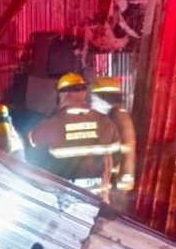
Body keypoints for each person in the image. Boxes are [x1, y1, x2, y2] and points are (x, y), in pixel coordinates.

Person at [28, 73, 121, 202]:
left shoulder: (50, 124)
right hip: (98, 199)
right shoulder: (105, 122)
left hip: (64, 199)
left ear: (64, 95)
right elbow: (116, 159)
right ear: (84, 94)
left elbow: (34, 159)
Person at [92, 76, 136, 211]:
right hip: (112, 181)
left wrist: (121, 182)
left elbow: (125, 151)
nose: (92, 101)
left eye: (94, 97)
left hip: (114, 184)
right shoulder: (116, 114)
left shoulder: (115, 117)